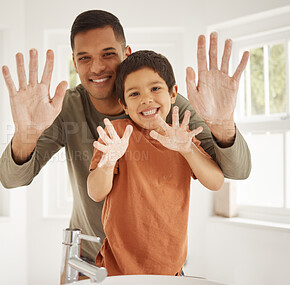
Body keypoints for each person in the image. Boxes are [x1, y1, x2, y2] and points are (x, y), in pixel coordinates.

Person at [0, 10, 251, 263]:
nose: (96, 67)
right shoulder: (67, 108)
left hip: (159, 265)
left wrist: (223, 124)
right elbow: (12, 179)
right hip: (88, 258)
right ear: (75, 63)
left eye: (108, 54)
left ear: (126, 54)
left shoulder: (170, 111)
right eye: (84, 58)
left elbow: (236, 172)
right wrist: (26, 135)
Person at [87, 50, 224, 276]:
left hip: (170, 272)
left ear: (173, 93)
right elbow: (95, 192)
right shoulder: (117, 135)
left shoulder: (182, 136)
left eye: (155, 88)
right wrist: (109, 162)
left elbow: (216, 182)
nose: (146, 99)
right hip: (116, 271)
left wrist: (188, 150)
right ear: (123, 104)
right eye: (134, 94)